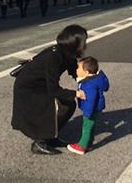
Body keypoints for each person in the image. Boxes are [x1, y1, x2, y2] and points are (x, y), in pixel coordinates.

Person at [11, 24, 88, 155]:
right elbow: (53, 90)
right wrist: (76, 93)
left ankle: (51, 136)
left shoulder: (68, 54)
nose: (85, 45)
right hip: (29, 87)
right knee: (47, 110)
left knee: (68, 105)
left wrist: (90, 82)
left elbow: (74, 72)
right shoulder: (54, 57)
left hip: (41, 84)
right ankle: (39, 142)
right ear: (75, 43)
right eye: (83, 42)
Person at [67, 55, 110, 155]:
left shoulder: (88, 84)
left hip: (91, 109)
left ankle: (82, 146)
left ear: (86, 72)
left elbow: (91, 99)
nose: (76, 69)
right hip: (96, 108)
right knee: (91, 126)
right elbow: (106, 87)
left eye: (78, 68)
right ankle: (89, 143)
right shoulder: (97, 79)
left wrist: (87, 112)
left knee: (86, 127)